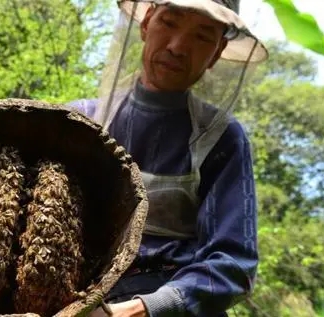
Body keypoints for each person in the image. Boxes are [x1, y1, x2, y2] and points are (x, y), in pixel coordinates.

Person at [67, 1, 269, 317]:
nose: (177, 47)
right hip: (76, 298)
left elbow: (234, 263)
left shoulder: (222, 138)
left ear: (217, 52)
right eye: (169, 23)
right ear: (147, 23)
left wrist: (147, 307)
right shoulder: (79, 120)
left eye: (202, 37)